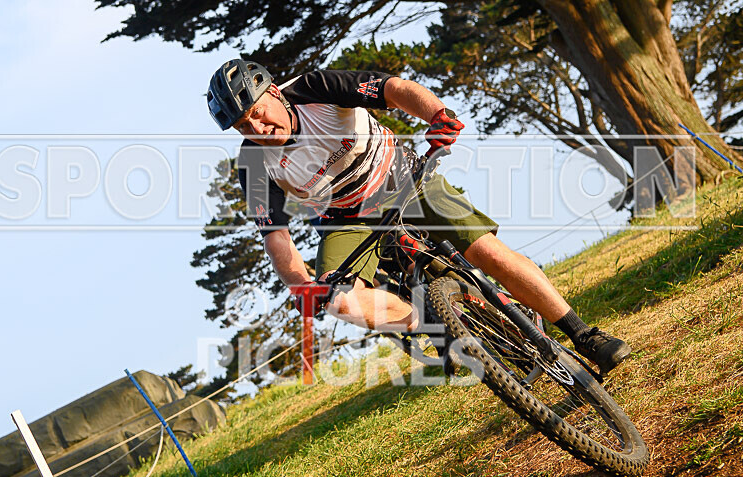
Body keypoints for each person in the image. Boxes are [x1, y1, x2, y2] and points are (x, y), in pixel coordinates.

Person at [206, 58, 631, 374]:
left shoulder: (315, 87)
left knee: (488, 253)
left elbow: (392, 89)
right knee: (340, 300)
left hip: (403, 177)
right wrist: (302, 285)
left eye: (257, 113)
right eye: (244, 126)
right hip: (346, 219)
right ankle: (438, 328)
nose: (257, 129)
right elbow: (275, 235)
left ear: (275, 93)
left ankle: (584, 335)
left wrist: (436, 115)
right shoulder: (253, 163)